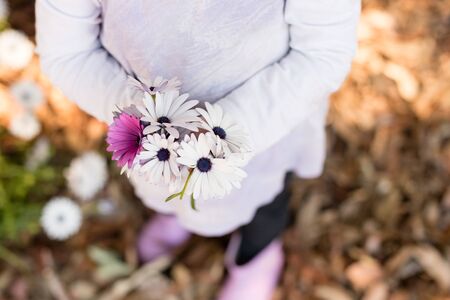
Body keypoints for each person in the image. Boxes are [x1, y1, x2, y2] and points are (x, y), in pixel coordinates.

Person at [35, 1, 360, 299]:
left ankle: (256, 254)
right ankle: (176, 215)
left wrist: (223, 134)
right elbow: (68, 53)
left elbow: (321, 54)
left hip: (265, 119)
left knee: (266, 199)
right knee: (162, 184)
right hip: (148, 126)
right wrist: (143, 119)